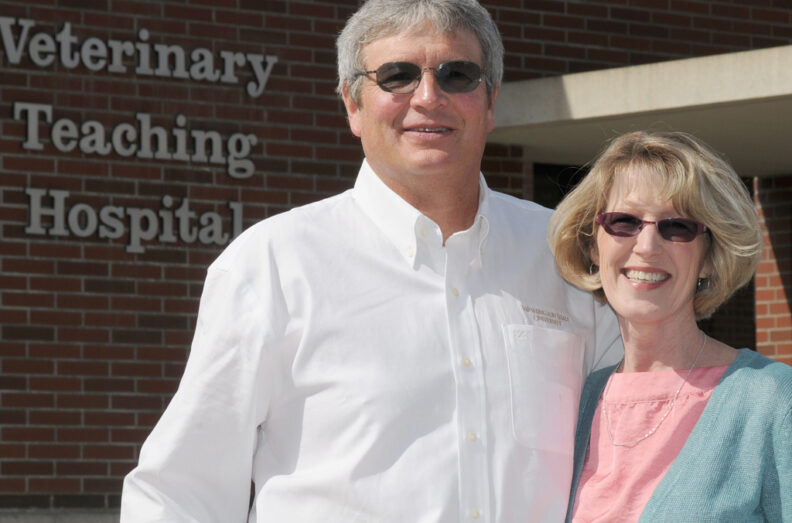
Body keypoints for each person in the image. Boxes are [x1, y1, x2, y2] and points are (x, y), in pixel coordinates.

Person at [120, 1, 623, 521]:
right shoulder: (272, 265)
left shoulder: (567, 253)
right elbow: (181, 492)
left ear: (490, 101)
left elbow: (634, 452)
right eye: (397, 76)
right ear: (352, 105)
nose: (429, 97)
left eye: (457, 75)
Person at [548, 130, 792, 522]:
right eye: (624, 222)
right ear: (594, 245)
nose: (646, 245)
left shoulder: (772, 401)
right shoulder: (578, 400)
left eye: (676, 226)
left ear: (710, 256)